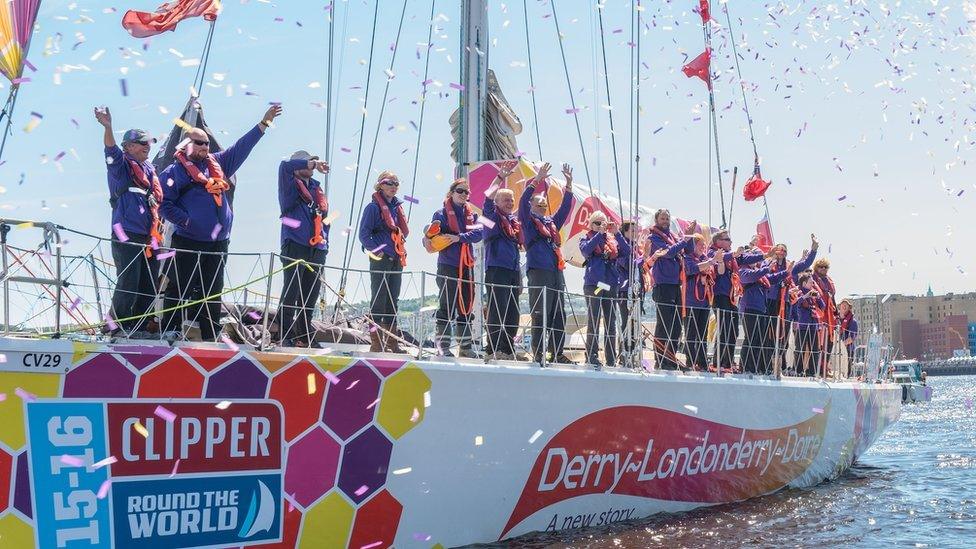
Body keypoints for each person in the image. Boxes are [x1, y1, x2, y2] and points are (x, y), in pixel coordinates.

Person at [159, 105, 281, 341]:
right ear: (185, 145)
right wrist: (186, 221)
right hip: (188, 239)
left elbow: (241, 148)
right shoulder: (174, 172)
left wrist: (262, 124)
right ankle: (170, 328)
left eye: (206, 143)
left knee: (212, 290)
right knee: (178, 287)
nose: (205, 146)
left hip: (217, 243)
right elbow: (164, 204)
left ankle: (210, 333)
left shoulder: (219, 162)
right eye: (199, 142)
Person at [95, 106, 163, 336]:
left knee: (149, 285)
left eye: (149, 143)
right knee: (129, 281)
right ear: (129, 147)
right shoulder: (120, 166)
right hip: (126, 232)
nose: (147, 147)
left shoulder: (150, 170)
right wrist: (108, 127)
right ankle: (115, 327)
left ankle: (138, 327)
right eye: (142, 143)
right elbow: (110, 149)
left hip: (149, 237)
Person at [519, 162, 576, 365]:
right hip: (538, 270)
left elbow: (565, 209)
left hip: (555, 271)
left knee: (558, 313)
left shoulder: (551, 222)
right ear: (532, 207)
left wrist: (568, 185)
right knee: (540, 312)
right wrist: (537, 180)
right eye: (538, 204)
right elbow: (523, 202)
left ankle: (557, 352)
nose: (542, 207)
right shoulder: (527, 221)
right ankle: (539, 353)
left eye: (544, 205)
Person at [423, 178, 484, 358]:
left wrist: (460, 237)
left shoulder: (472, 216)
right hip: (448, 264)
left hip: (467, 265)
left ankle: (465, 348)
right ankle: (443, 347)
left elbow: (479, 232)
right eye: (460, 191)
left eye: (467, 192)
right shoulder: (440, 214)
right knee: (447, 305)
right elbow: (433, 234)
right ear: (451, 193)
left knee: (466, 305)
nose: (464, 194)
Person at [277, 151, 330, 347]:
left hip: (317, 248)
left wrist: (325, 243)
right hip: (294, 243)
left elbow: (325, 220)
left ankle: (305, 336)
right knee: (291, 292)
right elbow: (284, 165)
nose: (313, 165)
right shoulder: (288, 183)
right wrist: (312, 164)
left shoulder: (317, 188)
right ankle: (284, 335)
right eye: (309, 162)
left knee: (310, 296)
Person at [359, 171, 409, 353]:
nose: (393, 186)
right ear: (380, 185)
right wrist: (377, 251)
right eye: (389, 183)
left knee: (392, 301)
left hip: (396, 258)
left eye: (396, 183)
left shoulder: (396, 209)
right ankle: (376, 344)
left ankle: (392, 344)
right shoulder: (373, 208)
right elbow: (364, 234)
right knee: (379, 300)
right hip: (381, 259)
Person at [482, 162, 523, 360]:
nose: (509, 203)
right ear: (497, 202)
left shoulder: (513, 222)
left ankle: (508, 349)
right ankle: (494, 348)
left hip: (514, 270)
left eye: (511, 200)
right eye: (506, 200)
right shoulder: (490, 217)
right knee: (497, 310)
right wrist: (499, 178)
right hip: (496, 268)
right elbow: (487, 197)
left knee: (513, 312)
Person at [580, 211, 630, 369]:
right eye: (597, 223)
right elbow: (586, 250)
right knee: (594, 319)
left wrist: (617, 234)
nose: (601, 226)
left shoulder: (613, 240)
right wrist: (598, 234)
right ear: (591, 225)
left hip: (610, 284)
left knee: (611, 322)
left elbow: (627, 252)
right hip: (594, 285)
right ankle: (591, 355)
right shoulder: (586, 238)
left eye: (604, 223)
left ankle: (610, 359)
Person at [709, 232, 763, 371]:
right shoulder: (712, 252)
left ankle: (728, 362)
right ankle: (718, 362)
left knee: (733, 330)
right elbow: (716, 259)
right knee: (724, 329)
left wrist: (766, 256)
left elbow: (745, 258)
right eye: (727, 240)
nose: (730, 242)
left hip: (731, 297)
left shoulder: (732, 257)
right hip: (719, 295)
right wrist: (733, 254)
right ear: (718, 241)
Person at [764, 235, 818, 371]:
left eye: (784, 250)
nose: (781, 252)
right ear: (774, 251)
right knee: (768, 334)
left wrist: (814, 249)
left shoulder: (790, 266)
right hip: (770, 302)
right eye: (779, 250)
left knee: (784, 335)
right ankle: (766, 365)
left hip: (785, 303)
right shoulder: (768, 264)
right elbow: (766, 278)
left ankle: (779, 366)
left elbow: (805, 264)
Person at [648, 210, 694, 370]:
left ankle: (671, 359)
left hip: (676, 285)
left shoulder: (674, 237)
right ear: (656, 220)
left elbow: (688, 250)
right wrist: (685, 239)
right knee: (664, 324)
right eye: (662, 218)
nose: (665, 221)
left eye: (667, 218)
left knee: (676, 325)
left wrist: (690, 237)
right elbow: (668, 253)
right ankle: (660, 360)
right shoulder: (653, 238)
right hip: (663, 285)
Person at [738, 255, 792, 374]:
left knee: (758, 339)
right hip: (750, 308)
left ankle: (755, 367)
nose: (756, 262)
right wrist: (767, 268)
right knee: (751, 338)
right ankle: (745, 366)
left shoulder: (760, 273)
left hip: (761, 309)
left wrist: (786, 273)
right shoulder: (743, 270)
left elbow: (772, 278)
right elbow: (751, 277)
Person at [682, 234, 716, 371]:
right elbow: (691, 269)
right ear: (694, 245)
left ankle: (702, 362)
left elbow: (711, 273)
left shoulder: (705, 259)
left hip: (704, 302)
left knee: (702, 333)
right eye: (700, 244)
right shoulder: (688, 258)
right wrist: (709, 264)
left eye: (704, 245)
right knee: (691, 333)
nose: (703, 247)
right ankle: (690, 361)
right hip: (691, 301)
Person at [615, 221, 644, 364]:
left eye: (636, 231)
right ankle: (624, 355)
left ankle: (633, 354)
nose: (635, 234)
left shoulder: (635, 248)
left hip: (636, 290)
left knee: (634, 324)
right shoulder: (621, 247)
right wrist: (645, 258)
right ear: (624, 232)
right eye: (632, 231)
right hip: (625, 289)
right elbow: (628, 265)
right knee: (626, 323)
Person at [793, 273, 826, 376]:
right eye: (811, 282)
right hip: (802, 325)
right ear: (804, 283)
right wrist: (806, 295)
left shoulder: (814, 295)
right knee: (800, 348)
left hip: (813, 326)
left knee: (815, 350)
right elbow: (796, 302)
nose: (813, 284)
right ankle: (798, 371)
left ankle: (812, 372)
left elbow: (823, 306)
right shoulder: (798, 292)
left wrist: (819, 297)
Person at [812, 258, 838, 373]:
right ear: (816, 267)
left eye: (825, 267)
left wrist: (836, 314)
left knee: (829, 343)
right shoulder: (812, 279)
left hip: (829, 317)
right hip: (818, 315)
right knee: (818, 343)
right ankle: (816, 368)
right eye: (820, 267)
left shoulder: (829, 281)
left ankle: (824, 367)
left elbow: (833, 298)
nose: (823, 269)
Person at [838, 299, 859, 375]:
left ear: (849, 308)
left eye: (846, 305)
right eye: (842, 304)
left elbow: (852, 337)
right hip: (835, 349)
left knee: (846, 369)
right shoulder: (835, 319)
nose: (844, 306)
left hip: (848, 349)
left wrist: (841, 345)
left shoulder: (853, 322)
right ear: (839, 306)